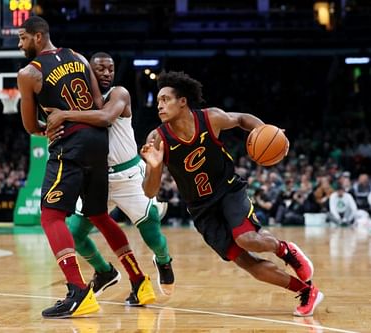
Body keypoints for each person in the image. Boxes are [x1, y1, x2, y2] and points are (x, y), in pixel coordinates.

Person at [140, 71, 323, 317]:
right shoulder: (157, 139)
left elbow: (241, 119)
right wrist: (153, 167)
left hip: (228, 190)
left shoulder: (210, 118)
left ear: (182, 101)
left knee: (247, 239)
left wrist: (265, 130)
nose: (160, 106)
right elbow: (149, 191)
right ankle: (306, 291)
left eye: (165, 99)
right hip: (201, 209)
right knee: (248, 264)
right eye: (159, 101)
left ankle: (285, 250)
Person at [16, 17, 155, 318]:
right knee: (98, 214)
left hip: (71, 145)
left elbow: (29, 125)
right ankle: (139, 280)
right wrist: (72, 116)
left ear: (39, 37)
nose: (20, 43)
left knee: (51, 217)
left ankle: (78, 291)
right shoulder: (78, 57)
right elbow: (96, 104)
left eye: (23, 37)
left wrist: (51, 125)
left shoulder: (28, 73)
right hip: (97, 143)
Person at [45, 52, 175, 299]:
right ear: (88, 74)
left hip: (128, 176)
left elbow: (105, 118)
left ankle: (164, 260)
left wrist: (64, 115)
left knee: (152, 234)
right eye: (100, 70)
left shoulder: (119, 93)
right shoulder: (80, 103)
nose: (106, 73)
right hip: (97, 178)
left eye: (110, 69)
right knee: (75, 234)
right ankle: (105, 272)